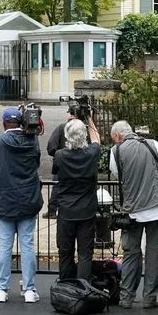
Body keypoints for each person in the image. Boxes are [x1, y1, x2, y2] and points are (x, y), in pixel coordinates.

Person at [109, 120, 158, 309]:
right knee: (154, 253)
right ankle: (150, 297)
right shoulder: (153, 145)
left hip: (132, 211)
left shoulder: (116, 151)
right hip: (155, 208)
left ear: (118, 135)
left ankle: (126, 297)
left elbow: (117, 174)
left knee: (131, 253)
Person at [0, 106, 43, 304]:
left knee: (4, 246)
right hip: (27, 198)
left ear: (4, 123)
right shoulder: (32, 140)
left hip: (4, 199)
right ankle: (29, 289)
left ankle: (1, 289)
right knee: (27, 245)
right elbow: (36, 163)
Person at [53, 117, 101, 282]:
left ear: (66, 136)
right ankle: (83, 286)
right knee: (85, 253)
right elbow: (97, 139)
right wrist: (90, 119)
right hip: (86, 210)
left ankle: (66, 285)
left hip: (66, 210)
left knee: (65, 251)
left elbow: (56, 172)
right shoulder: (91, 153)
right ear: (84, 135)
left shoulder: (60, 155)